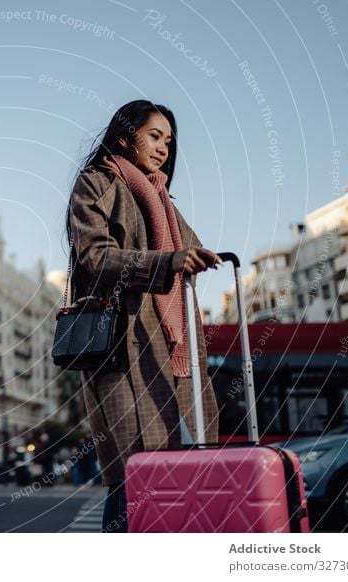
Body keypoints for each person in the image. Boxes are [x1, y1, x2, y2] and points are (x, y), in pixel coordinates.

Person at [66, 100, 222, 532]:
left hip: (175, 355)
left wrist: (200, 256)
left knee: (184, 478)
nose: (163, 149)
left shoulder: (162, 199)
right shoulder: (95, 184)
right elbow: (96, 257)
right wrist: (167, 262)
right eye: (154, 136)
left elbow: (186, 250)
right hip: (123, 350)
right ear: (124, 136)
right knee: (133, 479)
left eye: (169, 141)